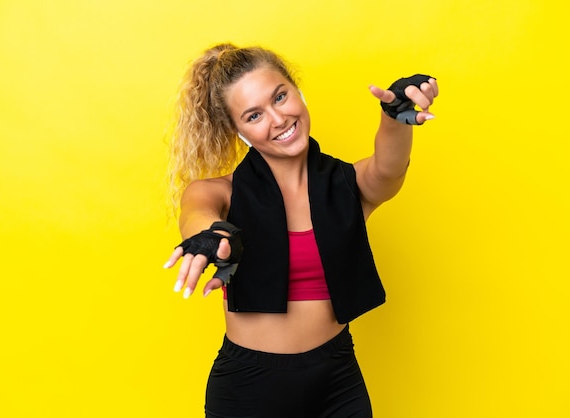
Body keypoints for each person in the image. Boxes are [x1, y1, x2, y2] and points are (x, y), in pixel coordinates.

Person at [163, 43, 438, 418]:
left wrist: (394, 116)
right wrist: (210, 238)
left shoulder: (348, 185)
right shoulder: (219, 192)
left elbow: (387, 171)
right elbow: (198, 214)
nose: (277, 119)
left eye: (280, 97)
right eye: (254, 115)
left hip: (338, 383)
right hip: (248, 390)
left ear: (298, 91)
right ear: (239, 131)